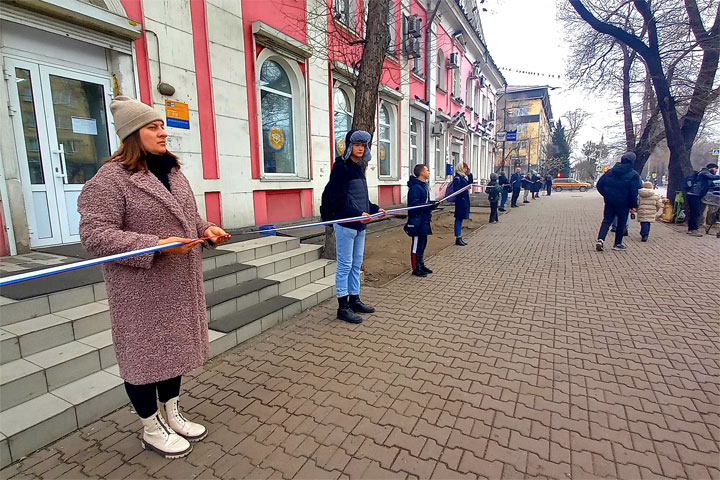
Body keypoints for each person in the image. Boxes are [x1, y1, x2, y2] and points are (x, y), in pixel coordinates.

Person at [77, 96, 230, 459]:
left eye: (162, 125)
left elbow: (185, 219)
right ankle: (150, 427)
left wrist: (206, 228)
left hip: (179, 285)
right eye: (154, 127)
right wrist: (156, 246)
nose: (164, 133)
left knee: (172, 353)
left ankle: (171, 413)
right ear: (133, 134)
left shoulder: (172, 171)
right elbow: (95, 235)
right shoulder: (110, 180)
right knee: (143, 359)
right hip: (139, 291)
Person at [327, 129, 386, 324]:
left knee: (355, 264)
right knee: (344, 265)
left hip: (360, 225)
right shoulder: (340, 168)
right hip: (346, 225)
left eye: (364, 145)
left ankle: (354, 299)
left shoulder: (358, 167)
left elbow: (361, 198)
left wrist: (375, 208)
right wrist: (356, 214)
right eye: (358, 144)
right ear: (350, 145)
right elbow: (338, 201)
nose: (361, 148)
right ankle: (342, 307)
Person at [595, 151, 643, 251]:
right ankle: (617, 243)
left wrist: (606, 195)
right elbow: (634, 192)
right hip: (624, 203)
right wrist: (634, 205)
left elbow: (599, 184)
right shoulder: (633, 175)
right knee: (621, 223)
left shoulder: (610, 172)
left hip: (610, 201)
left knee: (607, 220)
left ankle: (600, 239)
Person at [405, 164, 438, 277]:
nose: (429, 172)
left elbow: (424, 203)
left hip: (424, 220)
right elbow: (414, 205)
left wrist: (432, 205)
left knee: (422, 244)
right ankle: (415, 268)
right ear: (421, 173)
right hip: (416, 221)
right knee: (416, 245)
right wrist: (428, 206)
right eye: (427, 170)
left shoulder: (423, 186)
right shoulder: (415, 187)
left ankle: (421, 264)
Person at [686, 163, 720, 237]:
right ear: (711, 168)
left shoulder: (708, 178)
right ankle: (693, 229)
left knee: (695, 212)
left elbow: (714, 187)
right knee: (696, 212)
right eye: (715, 169)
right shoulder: (704, 172)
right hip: (694, 194)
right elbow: (713, 177)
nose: (715, 171)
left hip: (696, 195)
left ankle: (691, 229)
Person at [452, 162, 473, 246]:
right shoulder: (457, 178)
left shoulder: (463, 177)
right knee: (458, 219)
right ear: (461, 168)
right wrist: (464, 188)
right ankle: (458, 237)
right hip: (460, 201)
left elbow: (469, 183)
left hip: (464, 200)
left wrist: (470, 174)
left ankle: (459, 237)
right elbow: (457, 190)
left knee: (461, 219)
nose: (466, 170)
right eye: (465, 168)